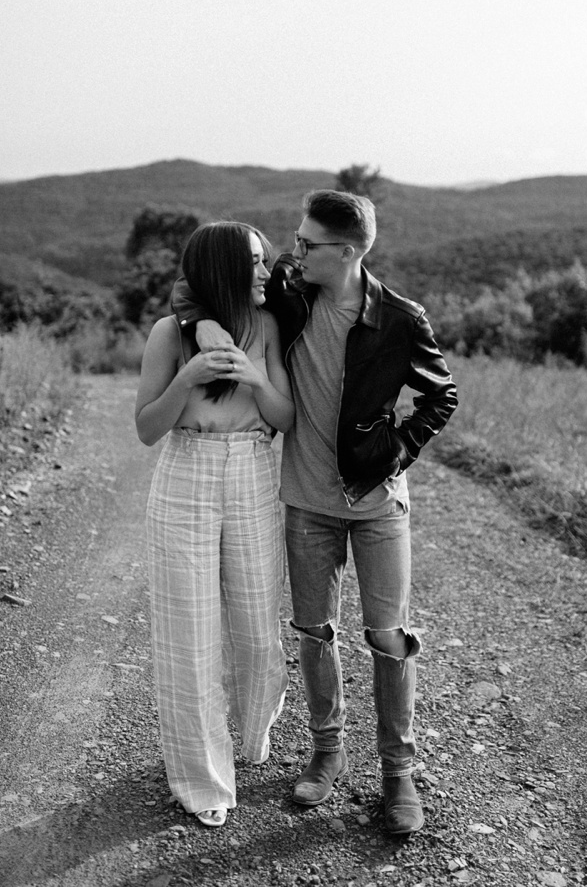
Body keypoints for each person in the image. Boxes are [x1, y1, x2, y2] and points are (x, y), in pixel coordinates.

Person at [172, 189, 457, 836]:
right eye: (294, 242)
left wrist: (396, 452)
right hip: (306, 502)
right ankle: (328, 752)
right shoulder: (290, 297)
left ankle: (398, 775)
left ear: (350, 251)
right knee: (314, 633)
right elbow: (193, 292)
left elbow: (443, 395)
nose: (291, 252)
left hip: (379, 504)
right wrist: (203, 328)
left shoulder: (401, 319)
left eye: (306, 244)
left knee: (388, 637)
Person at [135, 221, 295, 828]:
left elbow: (285, 417)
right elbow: (147, 427)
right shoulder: (167, 335)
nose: (266, 271)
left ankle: (253, 738)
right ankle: (204, 782)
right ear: (225, 270)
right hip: (185, 477)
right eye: (255, 262)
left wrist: (255, 376)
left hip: (253, 472)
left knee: (258, 633)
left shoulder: (270, 326)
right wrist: (188, 376)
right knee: (190, 640)